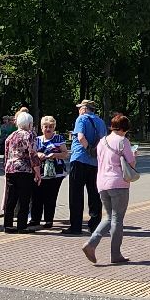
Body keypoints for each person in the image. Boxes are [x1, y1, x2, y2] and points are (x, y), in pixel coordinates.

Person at [84, 113, 138, 264]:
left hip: (102, 183)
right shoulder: (123, 141)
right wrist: (134, 154)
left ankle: (91, 243)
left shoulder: (102, 141)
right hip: (118, 183)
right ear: (124, 129)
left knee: (108, 217)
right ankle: (115, 254)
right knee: (117, 219)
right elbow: (131, 164)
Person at [66, 100, 107, 236]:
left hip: (79, 158)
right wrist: (95, 151)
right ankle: (95, 225)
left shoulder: (81, 119)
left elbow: (81, 136)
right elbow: (103, 140)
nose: (79, 110)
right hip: (95, 162)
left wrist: (88, 148)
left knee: (76, 194)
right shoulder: (100, 122)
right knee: (94, 194)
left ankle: (76, 226)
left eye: (80, 108)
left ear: (84, 109)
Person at [2, 112, 41, 233]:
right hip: (24, 169)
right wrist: (37, 171)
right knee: (24, 198)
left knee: (11, 197)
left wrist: (6, 169)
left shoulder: (11, 136)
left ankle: (7, 225)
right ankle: (21, 226)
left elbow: (6, 154)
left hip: (10, 168)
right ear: (29, 124)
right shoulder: (29, 135)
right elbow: (32, 154)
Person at [35, 116, 69, 230]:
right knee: (38, 196)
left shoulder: (58, 138)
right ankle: (36, 219)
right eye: (46, 127)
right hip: (40, 172)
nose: (48, 129)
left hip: (56, 173)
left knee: (51, 197)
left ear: (54, 127)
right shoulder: (37, 139)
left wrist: (55, 155)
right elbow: (33, 153)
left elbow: (65, 154)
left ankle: (49, 220)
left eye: (51, 127)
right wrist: (38, 155)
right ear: (41, 127)